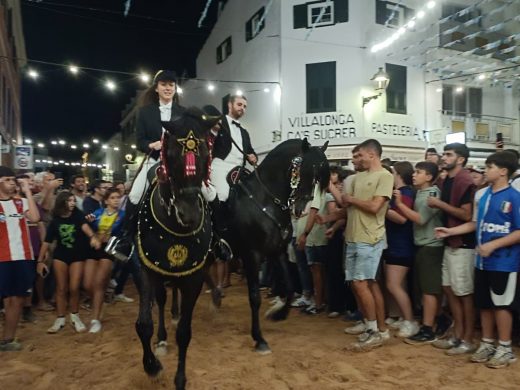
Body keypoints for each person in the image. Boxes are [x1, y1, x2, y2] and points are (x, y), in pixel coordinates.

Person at [435, 151, 520, 368]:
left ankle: (505, 347)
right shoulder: (482, 195)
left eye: (490, 167)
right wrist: (451, 232)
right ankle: (487, 343)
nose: (485, 170)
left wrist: (494, 244)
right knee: (483, 304)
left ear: (503, 171)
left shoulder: (515, 197)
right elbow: (475, 224)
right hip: (482, 261)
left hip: (504, 262)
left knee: (501, 305)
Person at [109, 70, 184, 260]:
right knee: (134, 194)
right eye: (164, 84)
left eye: (171, 85)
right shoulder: (145, 112)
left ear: (175, 88)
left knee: (203, 190)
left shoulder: (183, 113)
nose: (168, 88)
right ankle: (125, 239)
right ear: (157, 88)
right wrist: (151, 144)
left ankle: (215, 236)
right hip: (154, 160)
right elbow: (140, 140)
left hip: (177, 163)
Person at [429, 143, 476, 355]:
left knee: (463, 293)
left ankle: (467, 339)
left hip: (463, 244)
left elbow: (466, 215)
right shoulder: (446, 179)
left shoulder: (465, 180)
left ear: (461, 159)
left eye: (449, 155)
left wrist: (439, 205)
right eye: (444, 154)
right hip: (449, 242)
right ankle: (457, 334)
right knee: (450, 290)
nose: (444, 157)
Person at [394, 161, 444, 344]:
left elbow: (421, 219)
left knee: (429, 291)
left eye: (419, 172)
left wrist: (399, 204)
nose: (414, 175)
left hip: (430, 246)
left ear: (429, 177)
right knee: (426, 289)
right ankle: (436, 321)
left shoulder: (432, 194)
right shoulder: (421, 193)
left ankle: (428, 329)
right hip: (423, 245)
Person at [38, 191, 100, 334]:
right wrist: (40, 260)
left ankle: (75, 315)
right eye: (69, 201)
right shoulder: (55, 221)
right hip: (61, 256)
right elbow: (47, 242)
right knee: (61, 288)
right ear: (62, 203)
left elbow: (85, 228)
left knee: (74, 287)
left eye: (73, 200)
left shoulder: (78, 215)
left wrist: (93, 237)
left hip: (77, 256)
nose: (73, 203)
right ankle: (60, 318)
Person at [0, 166, 40, 351]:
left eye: (12, 179)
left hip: (23, 257)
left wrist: (27, 192)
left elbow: (35, 217)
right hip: (2, 258)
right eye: (8, 179)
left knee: (16, 299)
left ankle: (8, 339)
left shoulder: (20, 202)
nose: (12, 183)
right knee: (7, 299)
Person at [383, 161, 418, 338]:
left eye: (393, 173)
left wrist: (384, 207)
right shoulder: (398, 193)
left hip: (401, 245)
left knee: (393, 284)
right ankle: (400, 316)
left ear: (399, 175)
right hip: (394, 244)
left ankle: (410, 320)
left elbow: (401, 219)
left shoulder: (405, 193)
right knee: (396, 284)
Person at [84, 188, 125, 333]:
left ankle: (95, 319)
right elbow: (87, 223)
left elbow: (125, 233)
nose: (116, 200)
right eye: (113, 197)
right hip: (93, 248)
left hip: (109, 250)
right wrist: (91, 231)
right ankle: (99, 302)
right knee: (88, 284)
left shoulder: (122, 215)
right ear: (106, 200)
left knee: (99, 283)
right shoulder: (98, 212)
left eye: (118, 197)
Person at [210, 94, 257, 203]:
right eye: (239, 104)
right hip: (221, 165)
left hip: (240, 169)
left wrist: (253, 157)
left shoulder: (244, 132)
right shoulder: (219, 122)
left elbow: (250, 151)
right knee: (222, 195)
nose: (242, 108)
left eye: (245, 106)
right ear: (230, 105)